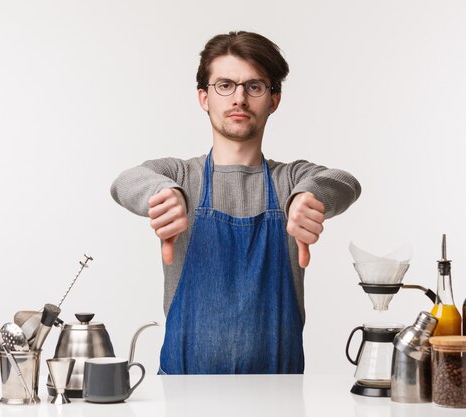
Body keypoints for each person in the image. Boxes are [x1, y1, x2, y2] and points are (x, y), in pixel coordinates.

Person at [111, 31, 361, 374]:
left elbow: (345, 182)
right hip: (183, 394)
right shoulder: (182, 177)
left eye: (254, 86)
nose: (239, 98)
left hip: (279, 397)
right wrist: (162, 194)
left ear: (273, 100)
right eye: (225, 85)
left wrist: (312, 195)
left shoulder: (290, 180)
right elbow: (126, 182)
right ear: (204, 97)